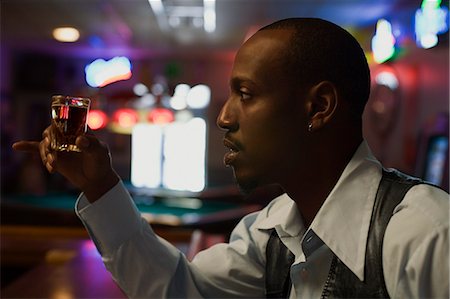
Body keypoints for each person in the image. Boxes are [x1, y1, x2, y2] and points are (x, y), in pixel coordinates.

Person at [13, 18, 449, 298]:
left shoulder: (426, 234)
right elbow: (178, 290)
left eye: (245, 94)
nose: (223, 117)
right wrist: (100, 184)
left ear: (319, 107)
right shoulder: (271, 230)